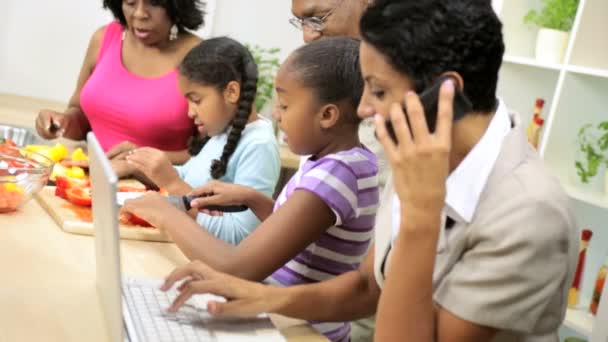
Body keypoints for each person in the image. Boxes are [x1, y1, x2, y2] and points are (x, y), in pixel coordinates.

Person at [159, 1, 579, 342]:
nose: (361, 110)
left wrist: (419, 219)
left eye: (377, 91)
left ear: (445, 93)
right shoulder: (422, 145)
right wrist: (260, 298)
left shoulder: (529, 213)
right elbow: (366, 288)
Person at [123, 37, 379, 342]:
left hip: (300, 331)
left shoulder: (337, 173)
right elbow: (308, 236)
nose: (277, 115)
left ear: (327, 115)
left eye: (284, 105)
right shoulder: (347, 160)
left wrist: (166, 213)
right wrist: (256, 200)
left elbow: (237, 269)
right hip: (284, 319)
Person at [121, 37, 280, 245]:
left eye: (196, 100)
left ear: (231, 92)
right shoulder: (222, 133)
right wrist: (135, 166)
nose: (189, 112)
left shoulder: (259, 146)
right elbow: (189, 180)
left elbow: (239, 237)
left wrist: (171, 183)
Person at [35, 0, 205, 166]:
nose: (139, 13)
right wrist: (61, 122)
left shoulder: (199, 57)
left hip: (156, 189)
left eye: (154, 3)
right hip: (94, 178)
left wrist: (137, 159)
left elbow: (210, 154)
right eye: (130, 3)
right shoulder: (104, 38)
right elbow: (81, 118)